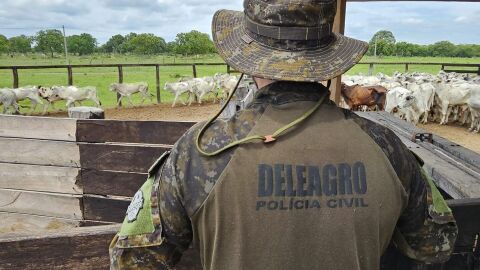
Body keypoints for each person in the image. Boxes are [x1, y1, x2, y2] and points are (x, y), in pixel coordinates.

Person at [109, 0, 457, 269]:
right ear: (326, 56)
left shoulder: (199, 152)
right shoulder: (387, 148)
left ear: (245, 58)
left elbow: (132, 260)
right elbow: (435, 243)